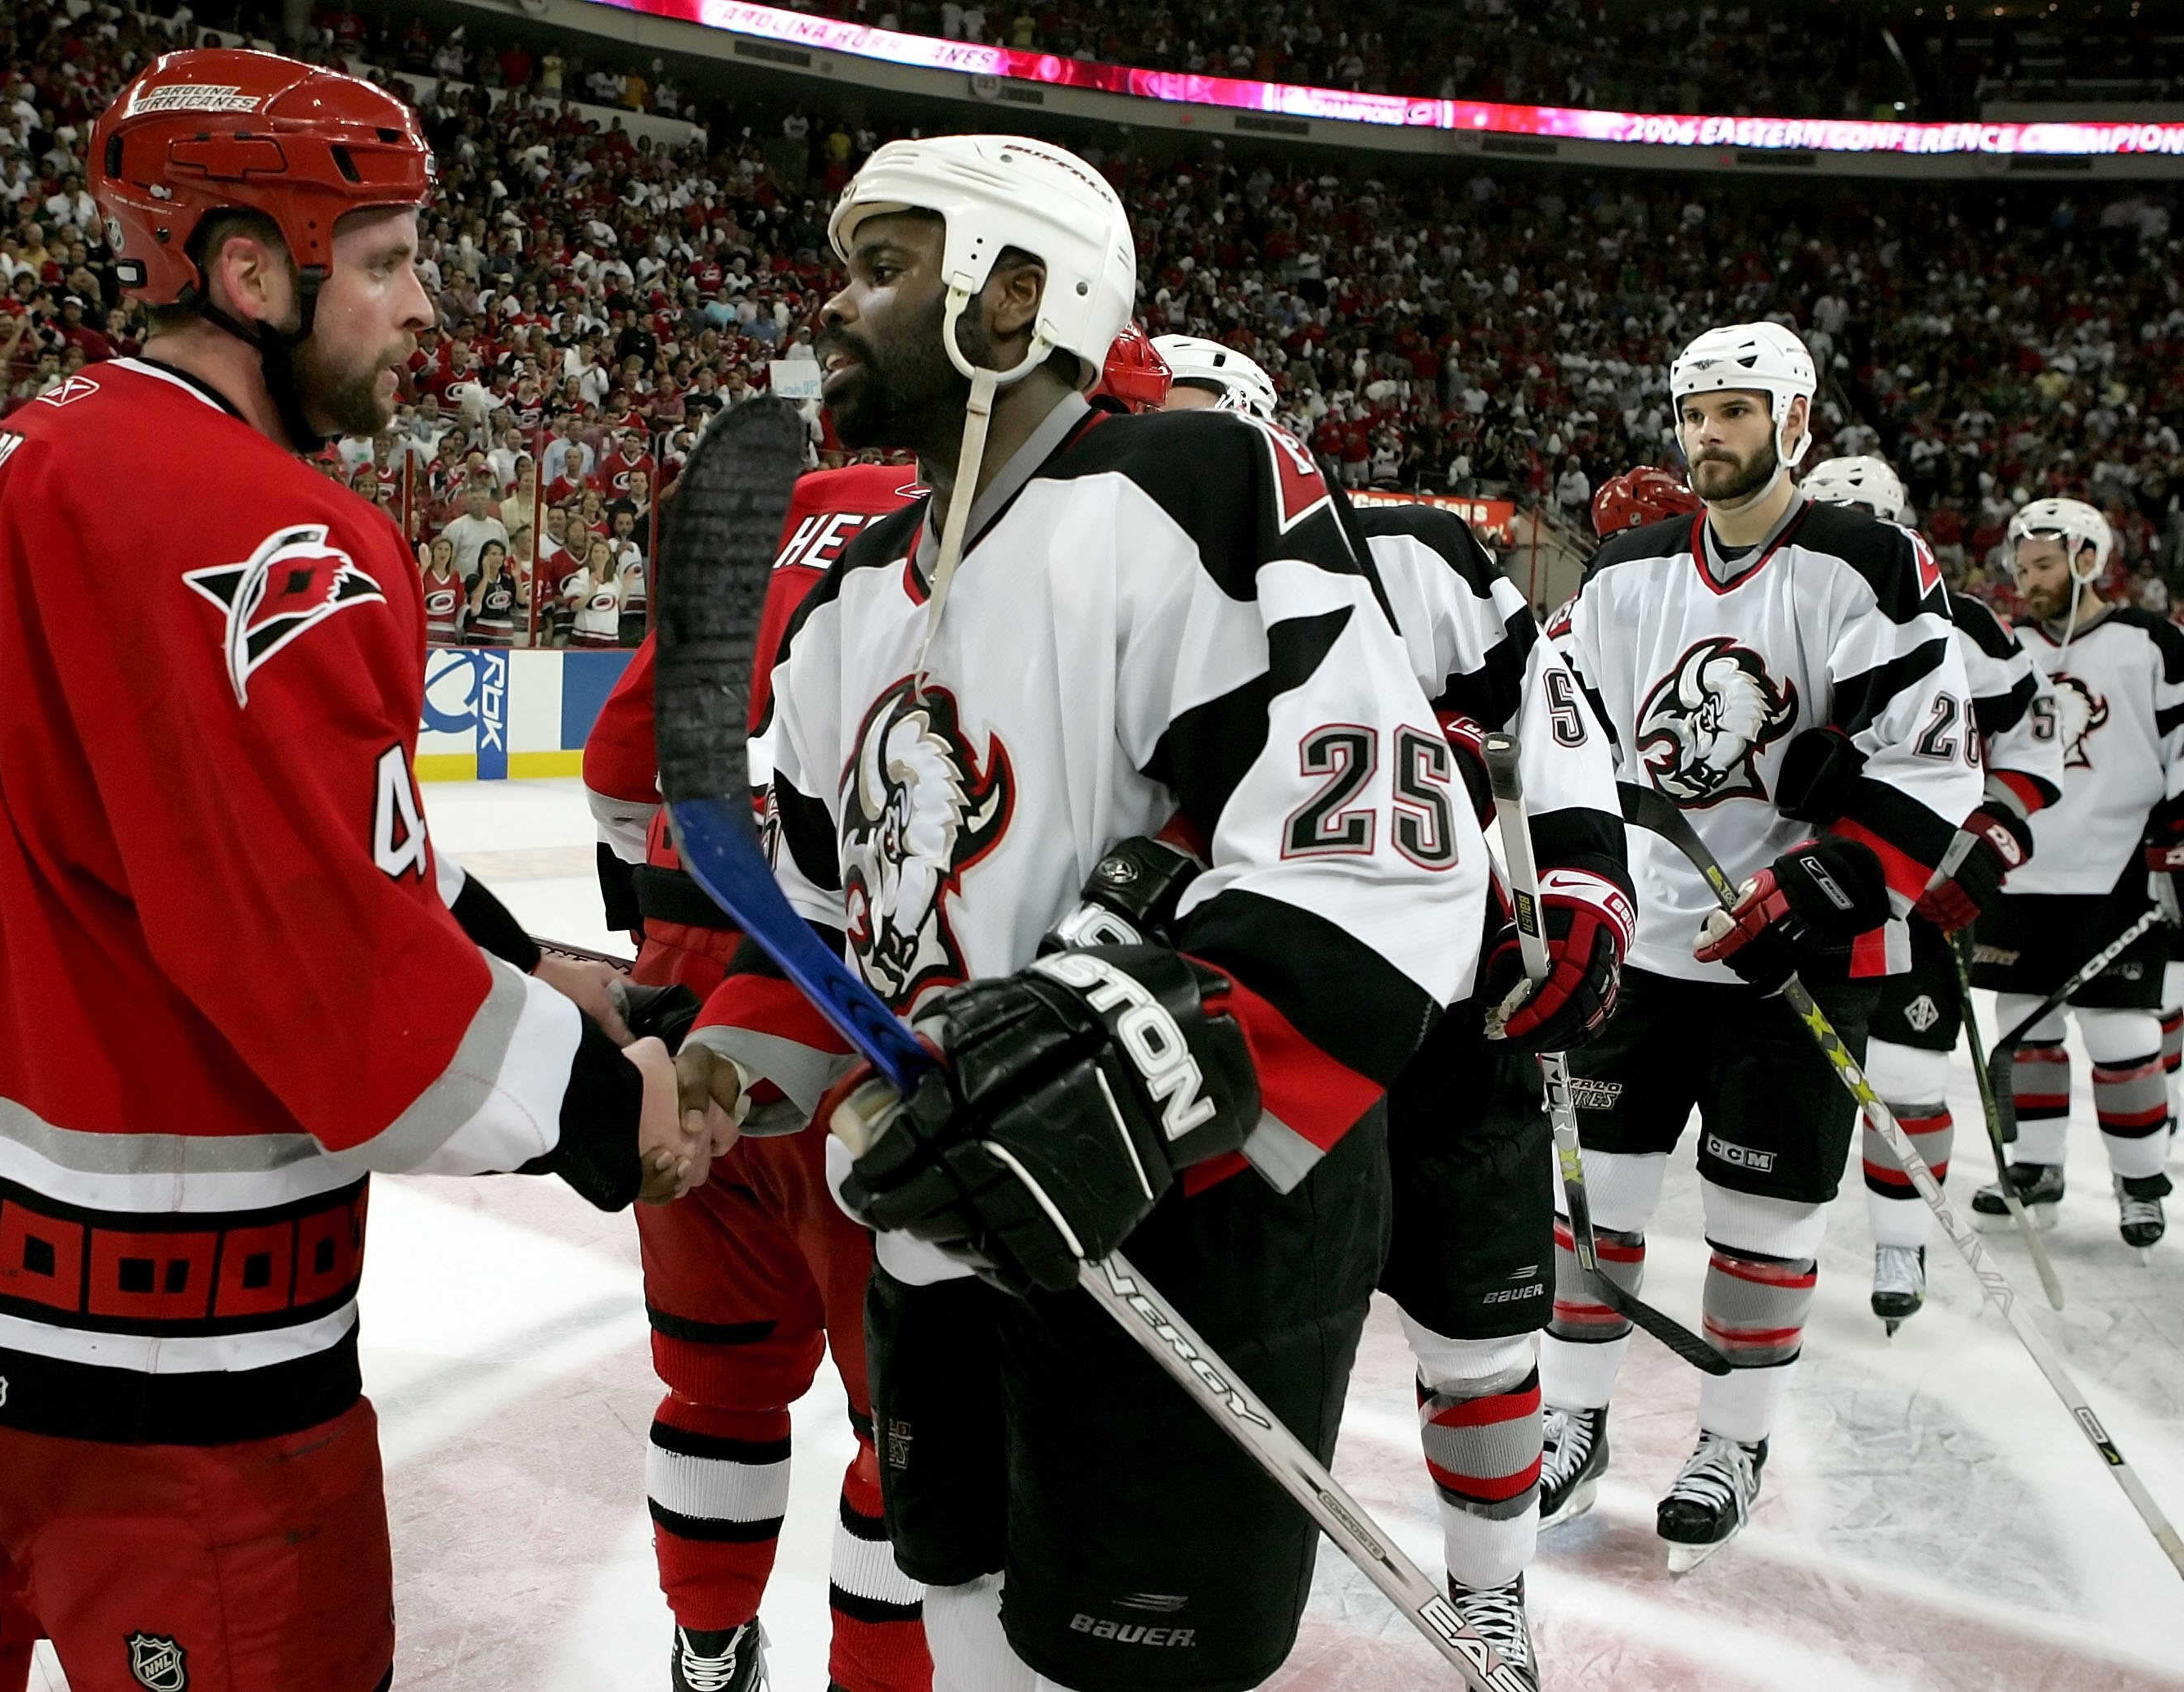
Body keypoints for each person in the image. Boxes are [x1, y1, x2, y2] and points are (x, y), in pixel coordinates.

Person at [0, 50, 712, 1691]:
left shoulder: (34, 444)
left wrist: (541, 967)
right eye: (388, 261)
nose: (426, 309)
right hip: (120, 1306)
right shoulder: (273, 533)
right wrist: (621, 1110)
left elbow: (221, 833)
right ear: (254, 273)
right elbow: (346, 994)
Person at [676, 135, 1487, 1692]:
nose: (837, 305)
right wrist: (729, 1060)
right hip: (948, 1233)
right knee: (967, 1602)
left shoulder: (1189, 487)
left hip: (1181, 1237)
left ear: (1014, 295)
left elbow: (1378, 858)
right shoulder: (852, 584)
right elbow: (821, 923)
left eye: (884, 269)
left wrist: (1118, 1068)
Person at [1153, 333, 1629, 1679]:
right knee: (1233, 1349)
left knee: (1480, 1336)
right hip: (1244, 1034)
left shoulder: (1416, 551)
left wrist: (1582, 892)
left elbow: (1552, 717)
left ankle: (1495, 1592)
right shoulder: (1098, 588)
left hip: (1449, 1018)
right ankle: (1211, 1609)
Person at [1541, 322, 1977, 1570]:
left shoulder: (1865, 561)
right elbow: (1562, 722)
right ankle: (1574, 1418)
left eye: (1737, 410)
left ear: (1794, 424)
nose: (1710, 435)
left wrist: (1830, 871)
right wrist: (1570, 875)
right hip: (1648, 938)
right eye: (1696, 413)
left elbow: (1934, 755)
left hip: (1797, 958)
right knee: (1596, 1207)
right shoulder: (1626, 570)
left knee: (1762, 1213)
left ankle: (1732, 1438)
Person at [586, 453, 926, 1692]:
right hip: (870, 1026)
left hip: (690, 1024)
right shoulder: (979, 514)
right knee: (911, 1425)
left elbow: (620, 777)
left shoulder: (757, 515)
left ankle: (710, 1639)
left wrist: (677, 923)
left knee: (713, 1375)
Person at [1797, 455, 2063, 1326]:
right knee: (1780, 1088)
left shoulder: (1969, 625)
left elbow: (2034, 747)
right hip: (1792, 887)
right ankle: (1774, 1251)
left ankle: (1899, 1239)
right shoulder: (1775, 599)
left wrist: (1992, 837)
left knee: (1907, 1078)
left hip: (1906, 888)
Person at [1968, 496, 2180, 1252]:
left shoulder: (2147, 640)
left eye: (2045, 565)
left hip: (2117, 869)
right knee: (2025, 1028)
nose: (2029, 581)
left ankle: (2141, 1182)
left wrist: (2177, 833)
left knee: (2122, 1030)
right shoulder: (2004, 646)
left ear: (2088, 559)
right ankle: (2038, 1168)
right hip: (2021, 871)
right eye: (2022, 568)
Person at [466, 536, 526, 645]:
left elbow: (521, 602)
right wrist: (486, 576)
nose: (498, 558)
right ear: (484, 557)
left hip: (504, 634)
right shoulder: (473, 579)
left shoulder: (507, 580)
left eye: (501, 554)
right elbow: (476, 601)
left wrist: (517, 578)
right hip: (479, 634)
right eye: (493, 554)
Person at [419, 534, 467, 646]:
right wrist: (423, 568)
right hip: (427, 631)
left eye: (447, 549)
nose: (443, 553)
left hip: (448, 633)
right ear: (433, 552)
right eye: (439, 549)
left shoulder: (456, 576)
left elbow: (459, 603)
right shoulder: (425, 573)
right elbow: (415, 593)